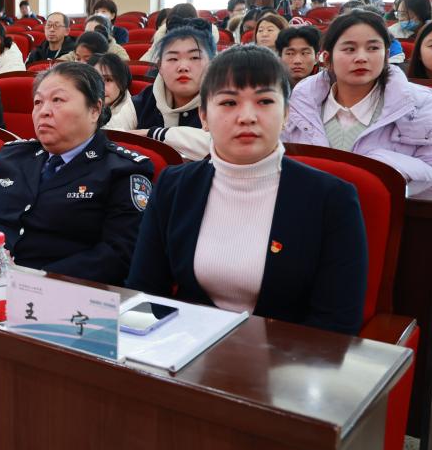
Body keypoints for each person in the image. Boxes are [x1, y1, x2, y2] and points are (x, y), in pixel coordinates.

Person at [128, 45, 366, 335]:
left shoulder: (332, 198)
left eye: (264, 101)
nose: (247, 117)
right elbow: (146, 289)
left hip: (288, 354)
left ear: (286, 114)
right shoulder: (173, 185)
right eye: (229, 102)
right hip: (186, 346)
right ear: (204, 116)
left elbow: (337, 323)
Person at [0, 62, 152, 283]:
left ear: (95, 110)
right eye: (38, 102)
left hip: (66, 291)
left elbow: (119, 254)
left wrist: (33, 280)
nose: (44, 111)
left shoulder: (122, 169)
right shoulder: (14, 157)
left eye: (57, 100)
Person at [284, 10, 432, 183]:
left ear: (386, 55)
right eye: (349, 49)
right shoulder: (300, 103)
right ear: (327, 58)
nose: (361, 58)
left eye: (373, 48)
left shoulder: (422, 105)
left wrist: (378, 165)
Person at [111, 18, 214, 160]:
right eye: (173, 59)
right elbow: (110, 133)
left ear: (211, 64)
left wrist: (152, 134)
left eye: (194, 58)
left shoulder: (224, 100)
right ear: (160, 66)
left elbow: (223, 143)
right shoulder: (145, 100)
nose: (183, 67)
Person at [93, 53, 136, 129]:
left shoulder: (129, 113)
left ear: (122, 83)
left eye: (108, 80)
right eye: (95, 79)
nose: (100, 86)